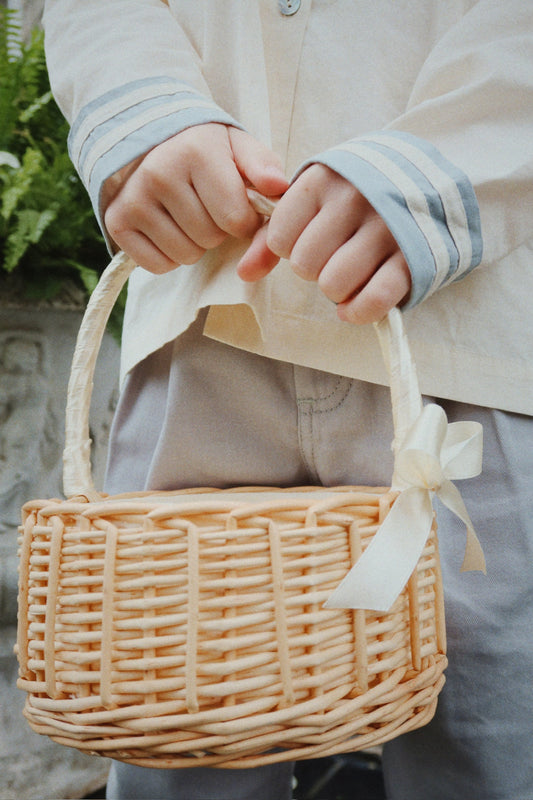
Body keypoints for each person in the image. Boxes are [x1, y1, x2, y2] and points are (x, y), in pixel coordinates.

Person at [42, 2, 533, 798]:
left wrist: (452, 163)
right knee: (178, 740)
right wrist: (142, 113)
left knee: (495, 752)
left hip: (471, 338)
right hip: (205, 320)